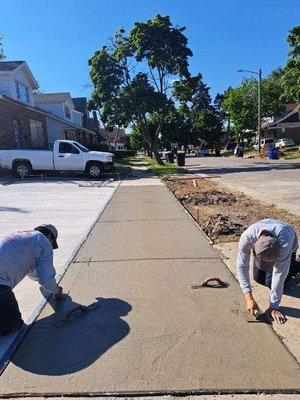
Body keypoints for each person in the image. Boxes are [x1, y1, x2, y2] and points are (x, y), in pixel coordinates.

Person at [0, 224, 63, 336]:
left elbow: (34, 273)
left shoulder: (22, 238)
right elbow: (46, 278)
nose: (51, 247)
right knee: (14, 324)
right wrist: (56, 290)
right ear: (50, 236)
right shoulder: (43, 241)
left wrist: (50, 288)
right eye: (52, 243)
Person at [236, 219, 299, 324]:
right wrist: (249, 298)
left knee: (271, 282)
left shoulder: (285, 244)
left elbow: (279, 273)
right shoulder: (247, 237)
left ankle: (297, 264)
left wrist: (273, 307)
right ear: (255, 250)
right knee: (258, 278)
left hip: (289, 242)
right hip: (271, 231)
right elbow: (241, 266)